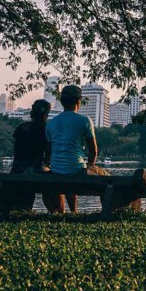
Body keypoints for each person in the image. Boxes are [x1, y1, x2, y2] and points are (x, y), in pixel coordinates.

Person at [44, 85, 98, 213]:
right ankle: (74, 212)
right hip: (77, 169)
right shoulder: (85, 120)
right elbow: (94, 151)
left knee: (63, 175)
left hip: (56, 169)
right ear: (79, 102)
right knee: (83, 170)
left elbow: (49, 152)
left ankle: (63, 212)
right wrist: (90, 166)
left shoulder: (51, 123)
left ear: (62, 102)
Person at [9, 99, 51, 211]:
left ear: (32, 113)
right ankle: (57, 211)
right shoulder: (47, 130)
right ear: (46, 115)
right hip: (37, 169)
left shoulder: (21, 128)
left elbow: (16, 150)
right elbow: (48, 154)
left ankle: (21, 208)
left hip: (18, 168)